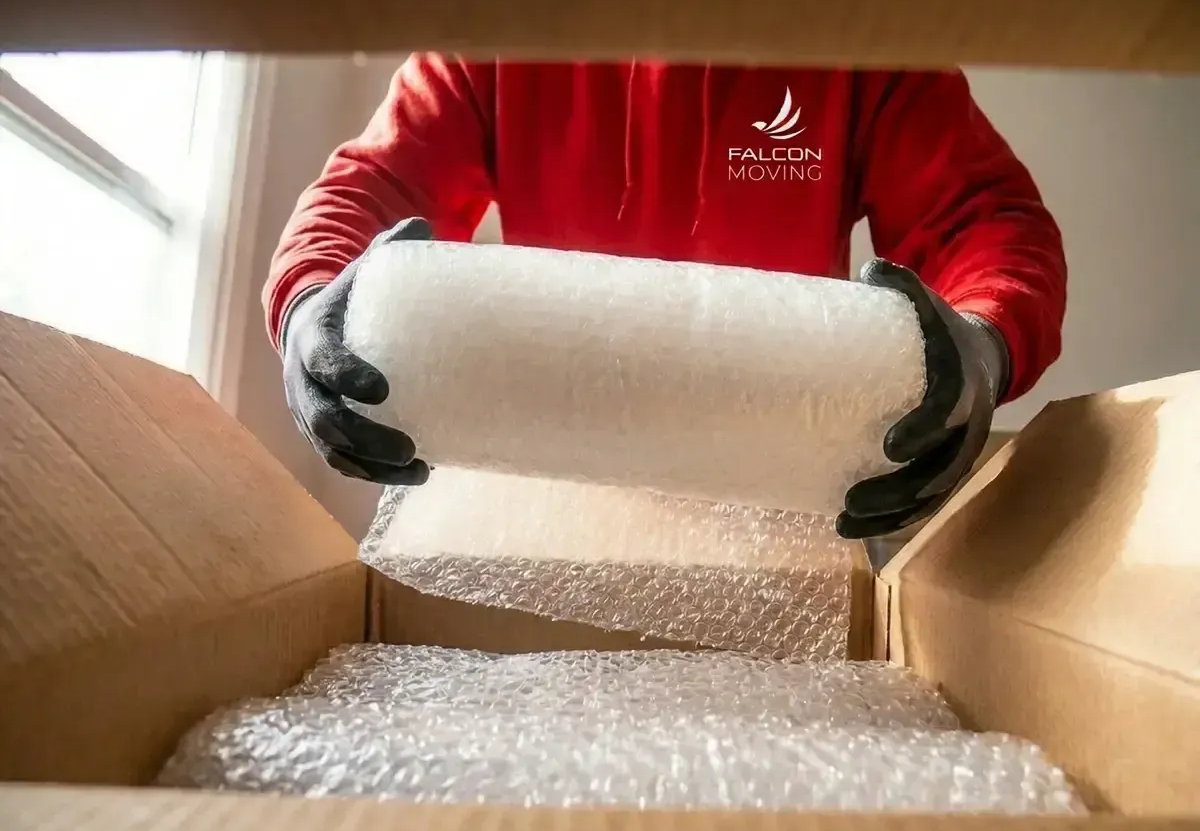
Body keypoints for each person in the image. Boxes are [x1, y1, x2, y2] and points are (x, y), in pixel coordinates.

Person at [265, 55, 1066, 539]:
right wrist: (309, 307)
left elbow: (986, 223)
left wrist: (982, 346)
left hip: (780, 504)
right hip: (540, 500)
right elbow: (372, 186)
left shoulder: (852, 33)